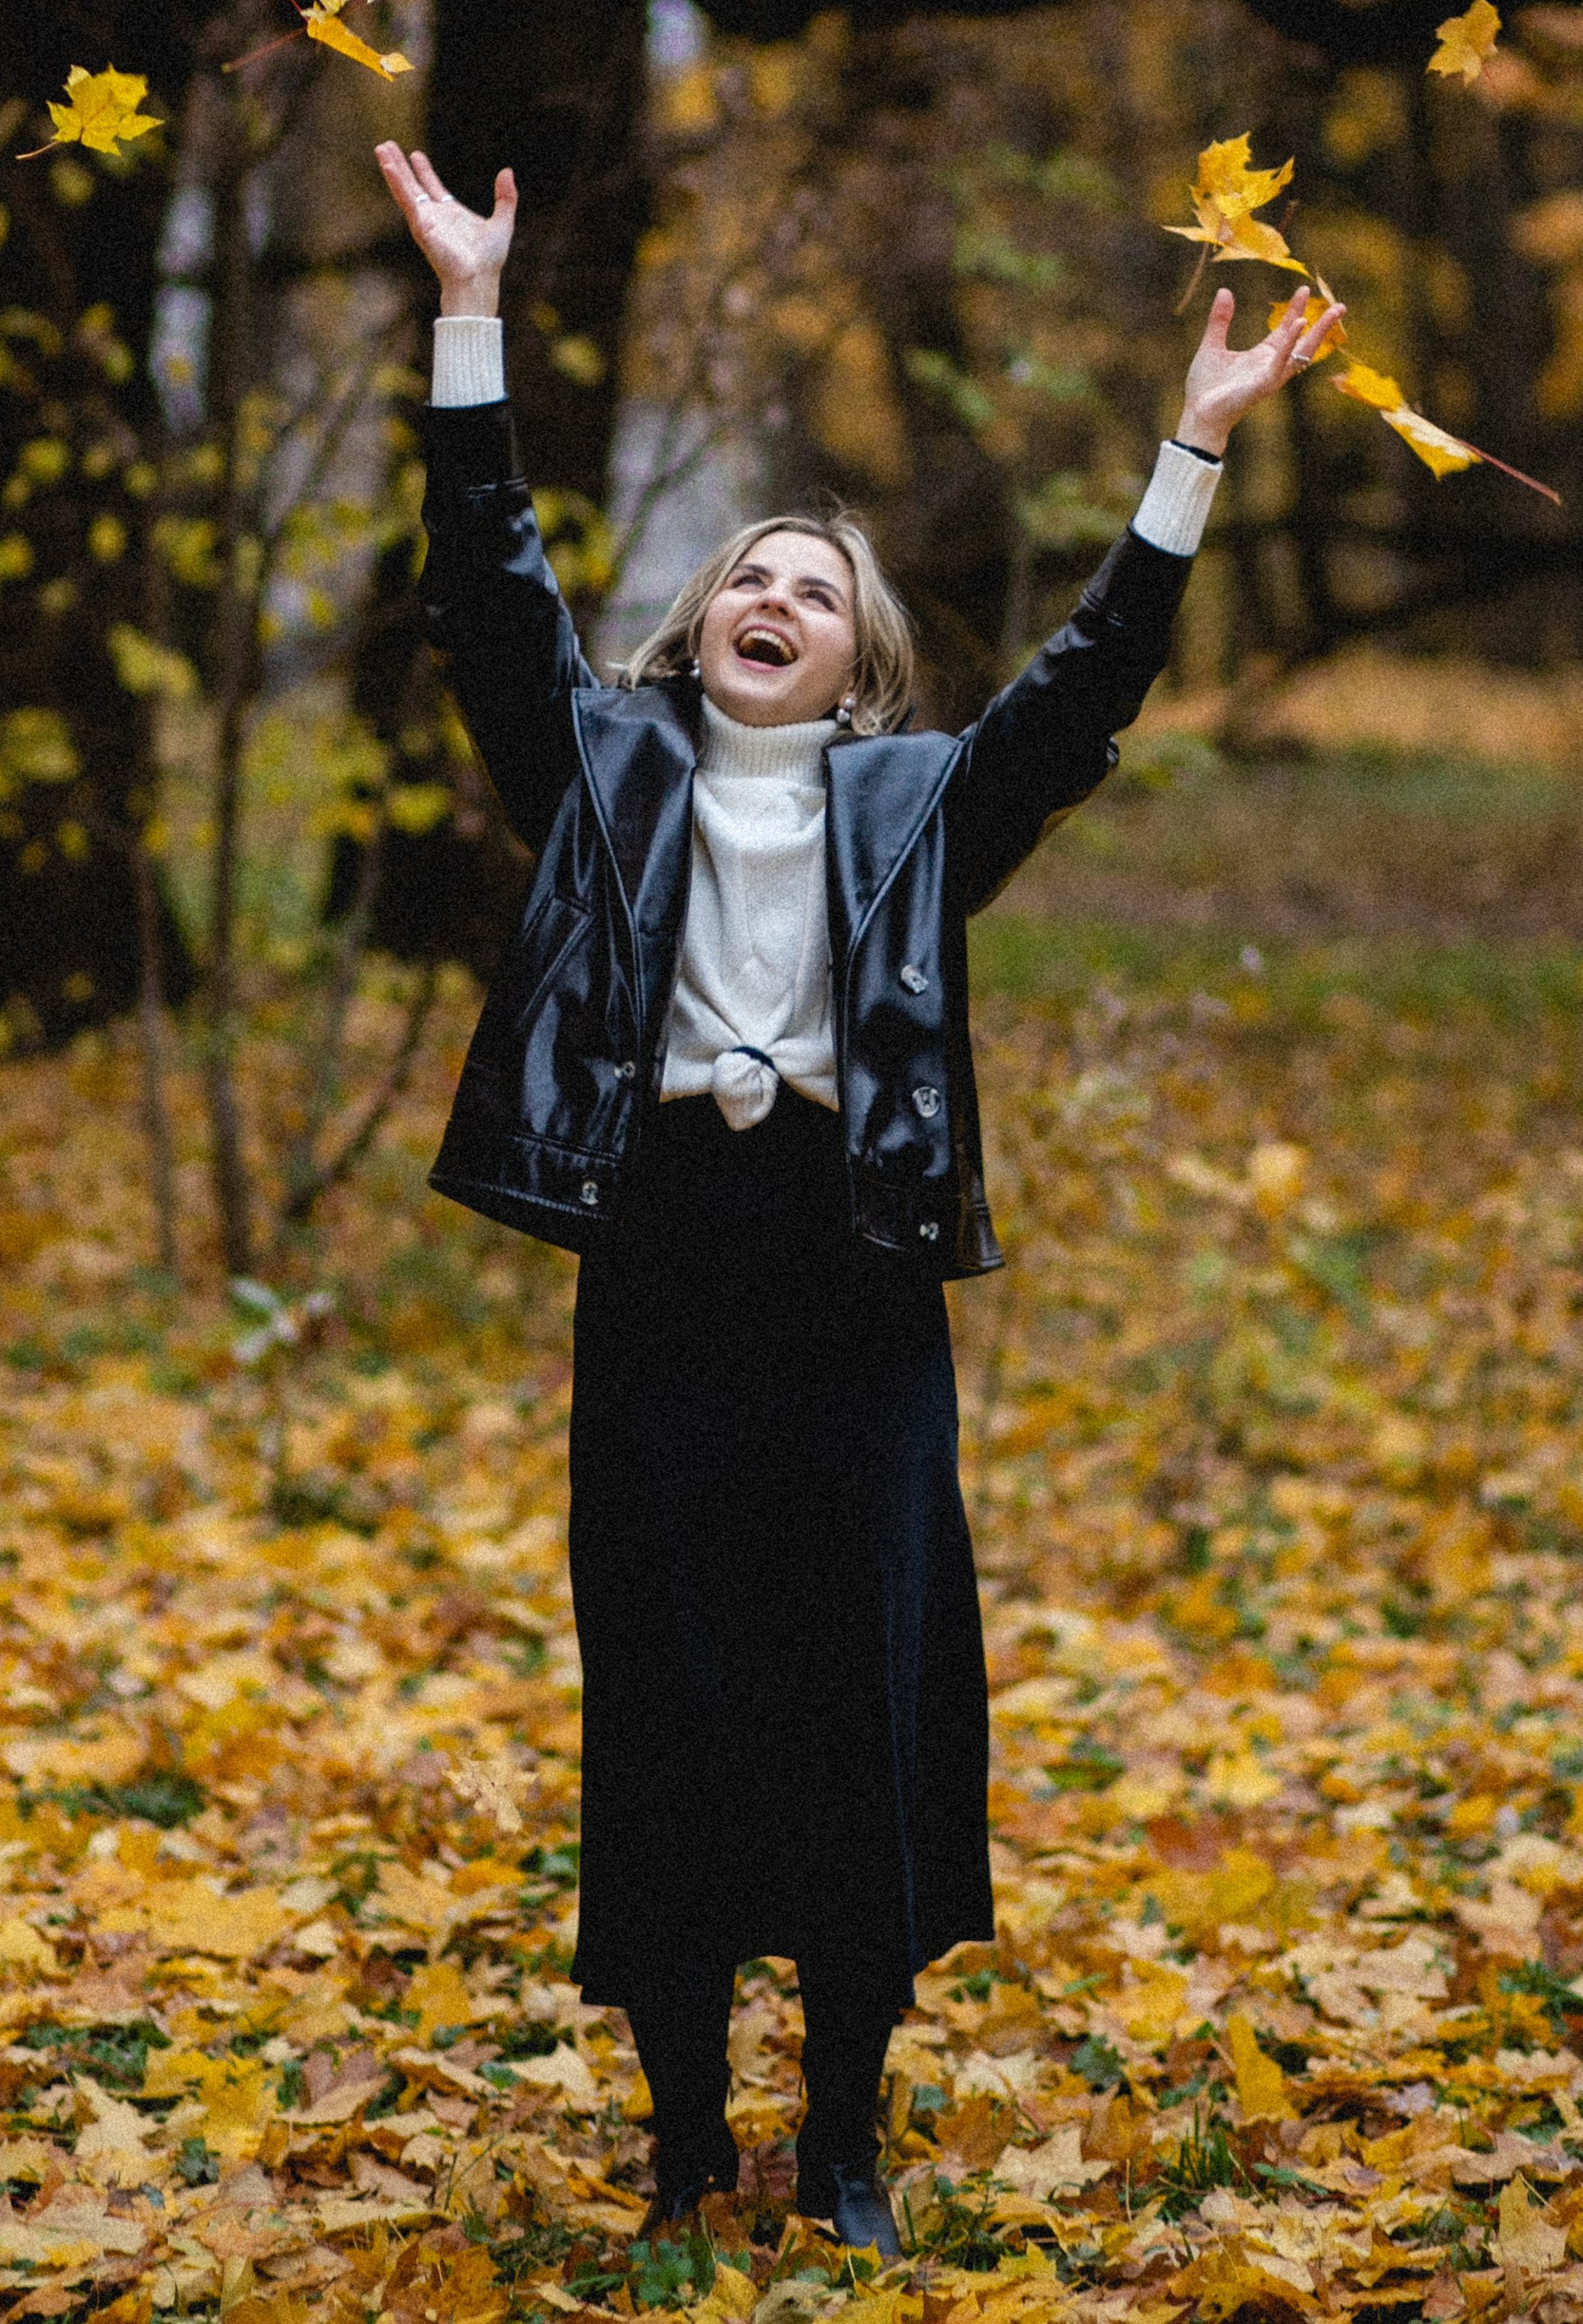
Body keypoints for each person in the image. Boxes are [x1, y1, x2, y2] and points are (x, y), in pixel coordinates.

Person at [374, 138, 1339, 2256]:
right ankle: (674, 2127)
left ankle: (843, 2135)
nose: (771, 599)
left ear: (856, 665)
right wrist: (467, 310)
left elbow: (1079, 699)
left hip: (846, 1276)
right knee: (668, 1685)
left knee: (853, 1695)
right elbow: (483, 584)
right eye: (746, 577)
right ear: (696, 627)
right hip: (657, 1274)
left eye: (813, 589)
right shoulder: (597, 771)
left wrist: (1189, 444)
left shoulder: (914, 814)